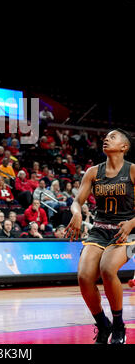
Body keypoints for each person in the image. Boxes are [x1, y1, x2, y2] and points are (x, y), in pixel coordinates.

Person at [64, 128, 135, 344]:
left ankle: (119, 326)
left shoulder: (132, 171)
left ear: (124, 147)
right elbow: (77, 201)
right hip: (100, 230)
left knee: (107, 268)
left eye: (113, 137)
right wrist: (76, 213)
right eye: (105, 137)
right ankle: (103, 325)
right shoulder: (93, 172)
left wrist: (132, 222)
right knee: (84, 277)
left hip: (129, 232)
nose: (106, 139)